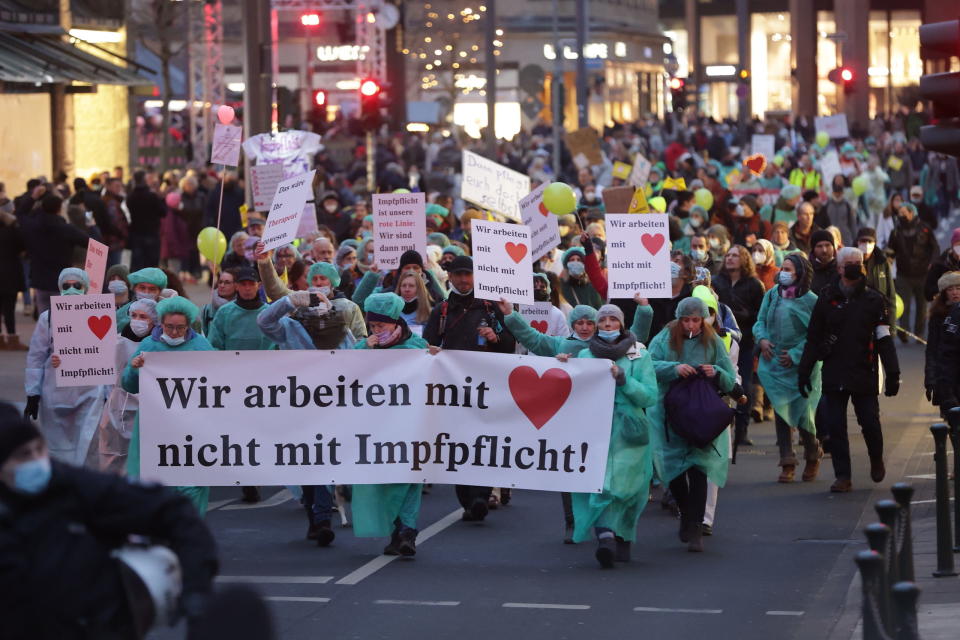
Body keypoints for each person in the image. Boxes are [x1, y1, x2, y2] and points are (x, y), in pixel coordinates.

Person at [0, 403, 218, 640]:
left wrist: (197, 594)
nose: (36, 462)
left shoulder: (74, 489)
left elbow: (173, 511)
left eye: (39, 449)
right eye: (23, 455)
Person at [257, 282, 355, 546]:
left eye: (321, 302)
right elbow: (264, 321)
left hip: (331, 408)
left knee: (321, 461)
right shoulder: (290, 328)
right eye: (312, 302)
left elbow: (355, 363)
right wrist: (290, 301)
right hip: (297, 407)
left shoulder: (341, 332)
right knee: (307, 463)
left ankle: (322, 518)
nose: (317, 308)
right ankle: (316, 516)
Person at [561, 304, 658, 567]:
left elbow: (650, 395)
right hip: (595, 430)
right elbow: (573, 390)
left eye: (612, 320)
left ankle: (623, 536)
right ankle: (605, 538)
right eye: (602, 319)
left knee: (627, 489)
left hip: (629, 433)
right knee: (600, 483)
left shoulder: (640, 355)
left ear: (621, 324)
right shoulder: (585, 354)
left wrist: (624, 379)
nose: (606, 324)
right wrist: (563, 369)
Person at [798, 247, 900, 493]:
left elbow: (884, 338)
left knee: (870, 422)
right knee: (835, 426)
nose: (855, 267)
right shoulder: (826, 299)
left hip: (863, 370)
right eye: (850, 263)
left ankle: (876, 457)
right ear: (840, 268)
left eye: (859, 263)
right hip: (834, 370)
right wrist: (804, 370)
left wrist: (893, 373)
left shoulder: (874, 300)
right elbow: (813, 338)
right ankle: (843, 476)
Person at [422, 255, 516, 521]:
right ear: (449, 277)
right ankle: (467, 500)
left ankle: (481, 497)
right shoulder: (441, 310)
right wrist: (432, 350)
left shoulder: (489, 307)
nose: (463, 280)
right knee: (457, 444)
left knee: (483, 441)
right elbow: (427, 344)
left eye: (468, 274)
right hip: (451, 388)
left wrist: (495, 337)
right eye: (458, 274)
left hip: (486, 386)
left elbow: (509, 344)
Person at [648, 297, 737, 552]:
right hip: (670, 413)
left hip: (702, 413)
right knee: (674, 470)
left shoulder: (713, 341)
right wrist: (674, 368)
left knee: (699, 469)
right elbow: (648, 365)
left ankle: (696, 525)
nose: (690, 324)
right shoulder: (664, 338)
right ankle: (686, 513)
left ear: (703, 320)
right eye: (685, 319)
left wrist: (716, 373)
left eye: (695, 320)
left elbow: (729, 377)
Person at [351, 293, 428, 556]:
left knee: (409, 478)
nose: (376, 330)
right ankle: (397, 527)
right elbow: (342, 371)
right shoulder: (364, 347)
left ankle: (407, 531)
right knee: (384, 479)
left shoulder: (417, 347)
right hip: (375, 427)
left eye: (380, 326)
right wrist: (364, 349)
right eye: (372, 326)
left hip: (410, 425)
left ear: (395, 323)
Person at [124, 297, 215, 513]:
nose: (174, 332)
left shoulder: (201, 347)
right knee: (153, 482)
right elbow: (128, 385)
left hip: (190, 426)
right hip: (155, 425)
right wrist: (134, 369)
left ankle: (190, 532)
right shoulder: (148, 346)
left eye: (180, 328)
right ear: (160, 324)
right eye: (169, 327)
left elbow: (217, 384)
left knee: (191, 483)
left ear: (189, 325)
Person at [753, 254, 823, 483]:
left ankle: (812, 454)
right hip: (774, 363)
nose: (783, 272)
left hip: (801, 366)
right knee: (782, 413)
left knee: (804, 414)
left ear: (800, 273)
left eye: (789, 269)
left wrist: (795, 355)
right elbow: (760, 321)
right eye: (782, 268)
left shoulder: (811, 300)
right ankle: (787, 460)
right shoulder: (772, 295)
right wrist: (762, 340)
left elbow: (816, 335)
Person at [24, 268, 104, 467]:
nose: (71, 290)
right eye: (66, 286)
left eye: (77, 286)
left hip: (90, 391)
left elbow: (107, 354)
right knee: (58, 447)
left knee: (86, 444)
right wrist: (33, 393)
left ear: (85, 288)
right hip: (55, 393)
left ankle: (83, 487)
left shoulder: (100, 316)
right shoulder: (48, 318)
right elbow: (36, 357)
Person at [94, 298, 157, 474]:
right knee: (113, 457)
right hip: (118, 408)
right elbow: (90, 363)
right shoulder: (116, 341)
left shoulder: (158, 345)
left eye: (143, 316)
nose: (137, 320)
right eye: (134, 315)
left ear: (155, 320)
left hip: (150, 409)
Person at [712, 245, 765, 446]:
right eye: (728, 255)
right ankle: (722, 426)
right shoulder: (716, 282)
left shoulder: (754, 284)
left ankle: (742, 430)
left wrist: (747, 316)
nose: (730, 259)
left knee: (743, 385)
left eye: (735, 255)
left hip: (745, 343)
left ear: (744, 260)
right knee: (721, 384)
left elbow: (761, 315)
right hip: (720, 342)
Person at [19, 194, 89, 315]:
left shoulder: (32, 227)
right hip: (62, 281)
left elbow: (20, 214)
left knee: (44, 320)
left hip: (40, 280)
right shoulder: (66, 229)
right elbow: (90, 243)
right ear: (59, 209)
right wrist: (93, 227)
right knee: (63, 322)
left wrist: (33, 196)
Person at [887, 202, 938, 343]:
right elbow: (891, 251)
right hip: (904, 274)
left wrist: (932, 263)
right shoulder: (896, 231)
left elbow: (935, 248)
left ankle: (919, 333)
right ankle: (905, 332)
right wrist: (887, 261)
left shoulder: (925, 229)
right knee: (904, 304)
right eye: (899, 213)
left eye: (904, 213)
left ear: (912, 213)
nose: (901, 215)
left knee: (922, 306)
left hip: (922, 274)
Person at [207, 266, 273, 352]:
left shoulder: (269, 313)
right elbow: (214, 345)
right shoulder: (224, 312)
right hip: (231, 363)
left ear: (259, 286)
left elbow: (278, 345)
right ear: (236, 286)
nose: (247, 288)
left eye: (251, 284)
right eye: (243, 284)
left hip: (264, 363)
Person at [925, 272, 960, 413]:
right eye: (950, 289)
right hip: (946, 375)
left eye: (958, 288)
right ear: (943, 293)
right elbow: (932, 349)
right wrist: (930, 380)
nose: (955, 292)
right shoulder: (938, 315)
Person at [126, 170, 166, 271]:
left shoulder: (130, 197)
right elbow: (163, 212)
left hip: (136, 233)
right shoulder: (152, 196)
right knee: (151, 264)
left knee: (137, 264)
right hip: (151, 233)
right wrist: (161, 198)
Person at [856, 228, 896, 322]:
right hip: (857, 316)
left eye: (870, 241)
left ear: (875, 243)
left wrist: (892, 328)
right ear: (857, 242)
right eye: (863, 241)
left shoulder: (882, 262)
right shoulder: (850, 260)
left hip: (878, 316)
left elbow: (890, 296)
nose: (866, 244)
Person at [116, 267, 169, 334]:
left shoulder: (167, 313)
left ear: (159, 292)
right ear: (135, 289)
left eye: (152, 289)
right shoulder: (123, 312)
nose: (146, 292)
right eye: (142, 287)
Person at [925, 228, 960, 302]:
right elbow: (928, 293)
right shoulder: (939, 265)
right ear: (953, 245)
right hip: (946, 308)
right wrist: (944, 286)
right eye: (959, 245)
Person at [200, 268, 238, 335]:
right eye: (220, 282)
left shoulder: (241, 308)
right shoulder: (207, 310)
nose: (222, 285)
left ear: (236, 285)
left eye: (227, 283)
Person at [809, 229, 838, 294]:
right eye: (819, 246)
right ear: (813, 249)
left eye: (827, 245)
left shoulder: (841, 268)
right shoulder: (808, 270)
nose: (824, 250)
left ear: (833, 247)